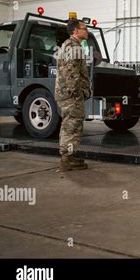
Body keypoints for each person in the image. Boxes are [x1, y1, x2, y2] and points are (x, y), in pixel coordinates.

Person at [55, 18, 91, 171]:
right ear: (76, 30)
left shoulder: (71, 45)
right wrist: (76, 93)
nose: (87, 31)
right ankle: (66, 159)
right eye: (84, 28)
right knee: (72, 125)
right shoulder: (73, 47)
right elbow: (71, 73)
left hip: (68, 94)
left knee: (72, 124)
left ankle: (69, 156)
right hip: (71, 95)